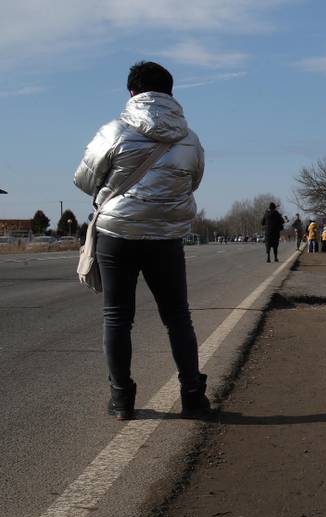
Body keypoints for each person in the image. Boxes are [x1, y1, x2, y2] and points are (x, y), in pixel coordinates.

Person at [74, 61, 210, 421]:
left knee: (117, 318)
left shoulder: (114, 130)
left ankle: (121, 400)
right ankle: (193, 395)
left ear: (132, 92)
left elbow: (84, 180)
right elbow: (192, 182)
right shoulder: (190, 138)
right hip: (166, 238)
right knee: (178, 317)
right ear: (170, 92)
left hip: (117, 236)